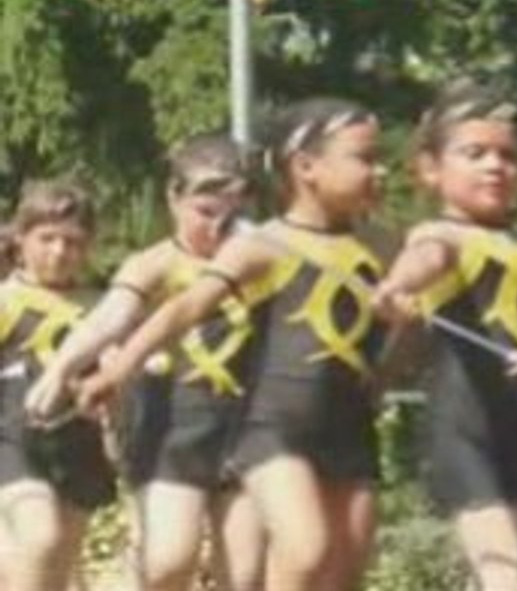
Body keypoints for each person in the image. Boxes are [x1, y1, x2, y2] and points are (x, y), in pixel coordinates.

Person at [76, 98, 388, 591]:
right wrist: (117, 370)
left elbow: (403, 341)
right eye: (363, 158)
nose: (380, 170)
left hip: (344, 425)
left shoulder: (380, 247)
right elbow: (184, 309)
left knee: (331, 572)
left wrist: (400, 339)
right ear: (304, 167)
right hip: (269, 426)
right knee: (300, 553)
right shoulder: (264, 244)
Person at [373, 79, 517, 591]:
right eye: (475, 154)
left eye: (508, 155)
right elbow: (423, 262)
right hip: (468, 421)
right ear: (431, 169)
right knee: (503, 572)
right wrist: (395, 290)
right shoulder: (441, 235)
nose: (495, 166)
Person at [25, 133, 265, 591]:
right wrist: (61, 369)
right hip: (171, 425)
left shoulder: (261, 258)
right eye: (205, 213)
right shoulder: (153, 264)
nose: (218, 227)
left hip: (248, 425)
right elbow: (108, 319)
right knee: (168, 562)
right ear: (173, 198)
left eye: (233, 214)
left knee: (246, 574)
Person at [0, 180, 115, 590]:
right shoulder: (6, 300)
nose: (59, 252)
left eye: (73, 242)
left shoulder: (102, 306)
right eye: (46, 238)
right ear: (20, 237)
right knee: (38, 536)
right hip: (12, 441)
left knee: (56, 571)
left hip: (77, 446)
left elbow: (117, 374)